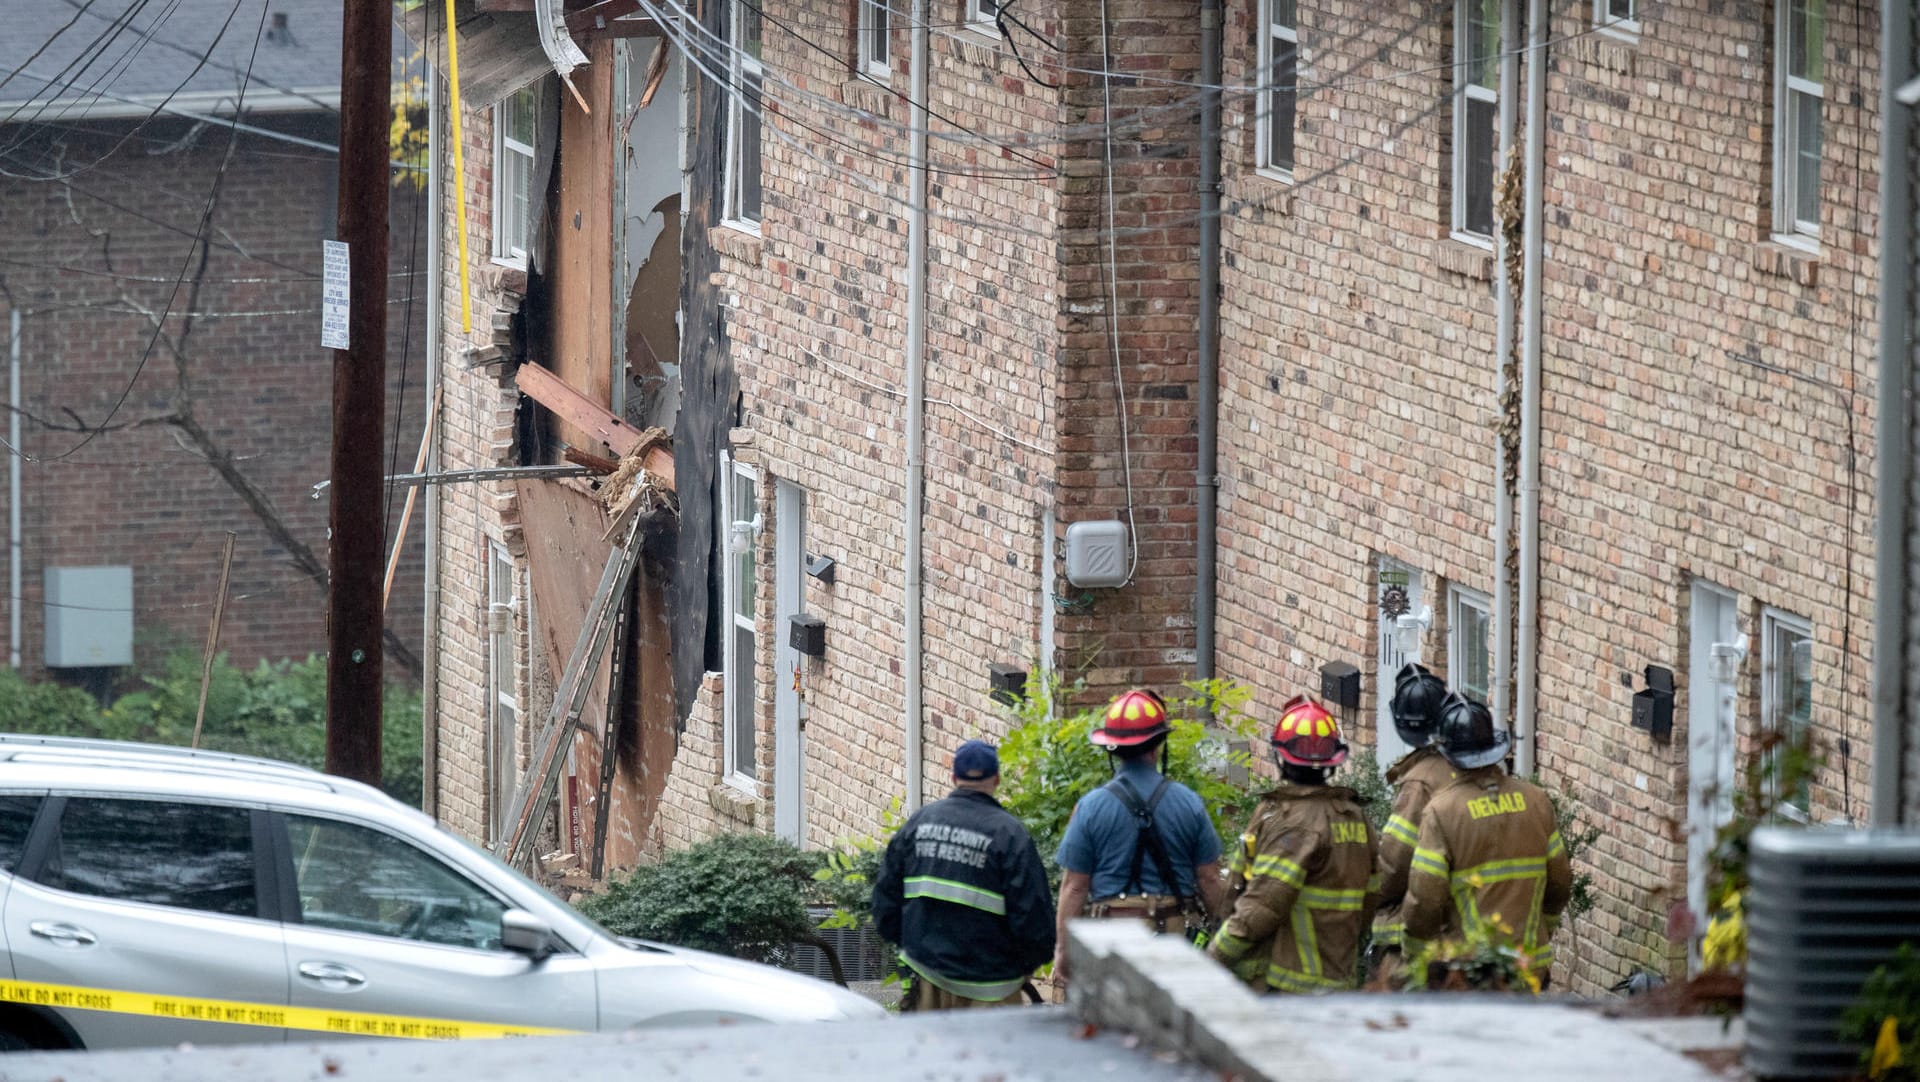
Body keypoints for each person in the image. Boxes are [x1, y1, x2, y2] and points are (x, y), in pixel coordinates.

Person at [1205, 695, 1380, 994]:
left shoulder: (1295, 825)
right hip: (1340, 979)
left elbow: (1260, 909)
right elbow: (1371, 898)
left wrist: (1208, 963)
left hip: (1291, 986)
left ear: (1281, 757)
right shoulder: (1354, 817)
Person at [1051, 688, 1226, 986]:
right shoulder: (1189, 804)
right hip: (1174, 942)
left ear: (1112, 749)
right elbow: (1209, 880)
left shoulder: (1090, 808)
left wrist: (1063, 954)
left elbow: (1074, 888)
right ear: (1158, 745)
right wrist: (1225, 945)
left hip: (1111, 941)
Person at [1401, 694, 1571, 991]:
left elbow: (1425, 900)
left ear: (1447, 754)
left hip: (1469, 971)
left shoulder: (1442, 812)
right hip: (1527, 965)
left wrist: (1416, 955)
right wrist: (1543, 927)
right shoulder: (1536, 801)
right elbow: (1560, 882)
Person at [871, 739, 1056, 1010]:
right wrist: (1026, 966)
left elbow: (885, 904)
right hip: (992, 992)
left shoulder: (919, 823)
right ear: (996, 779)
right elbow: (1034, 921)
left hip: (928, 982)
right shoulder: (1010, 835)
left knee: (933, 1053)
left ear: (954, 777)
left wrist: (913, 948)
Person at [1368, 662, 1458, 981]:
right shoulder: (1467, 765)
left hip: (1432, 936)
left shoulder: (1419, 782)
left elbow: (1393, 866)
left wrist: (1366, 901)